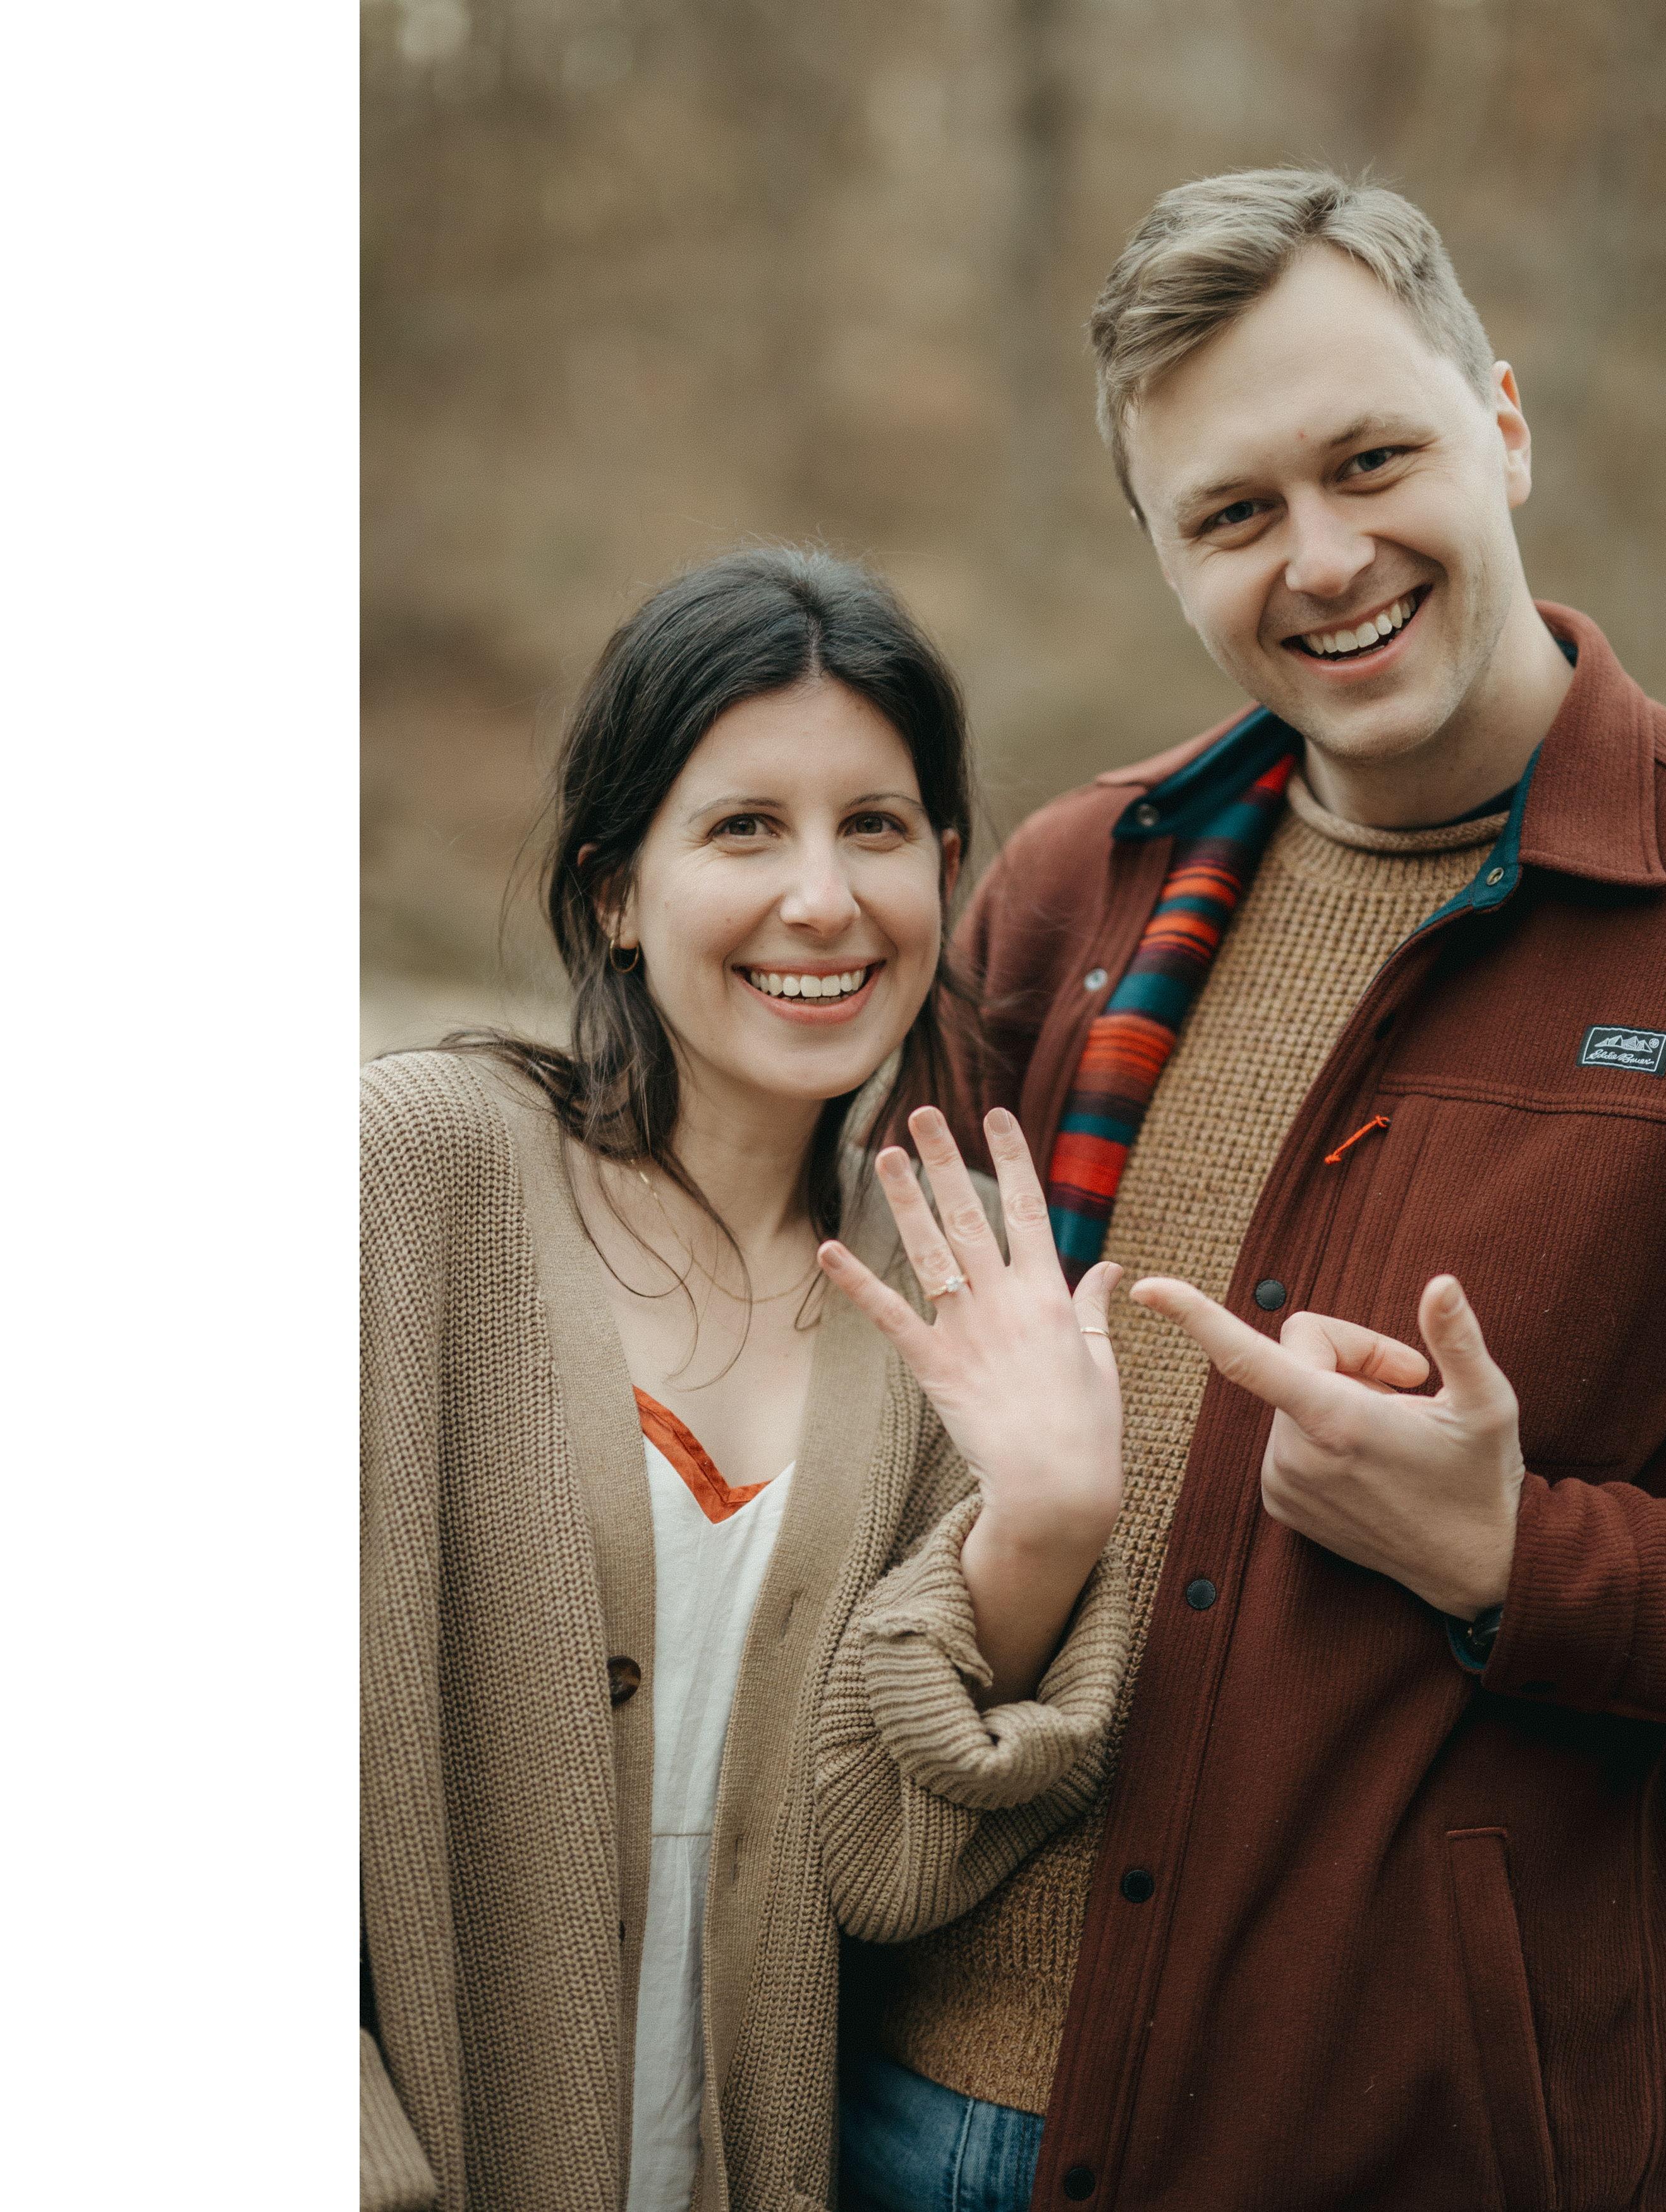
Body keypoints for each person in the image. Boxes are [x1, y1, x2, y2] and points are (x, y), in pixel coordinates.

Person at [824, 171, 1666, 2209]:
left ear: (1502, 423)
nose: (1324, 557)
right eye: (1231, 513)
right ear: (1162, 556)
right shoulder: (1073, 888)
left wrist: (1518, 1553)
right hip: (898, 2101)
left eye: (1371, 460)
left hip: (1386, 2144)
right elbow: (860, 1428)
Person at [359, 546, 1137, 2212]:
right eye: (743, 829)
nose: (823, 900)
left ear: (945, 872)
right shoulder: (413, 1177)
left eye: (876, 827)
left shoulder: (954, 1285)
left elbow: (887, 1866)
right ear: (614, 890)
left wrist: (1045, 1532)